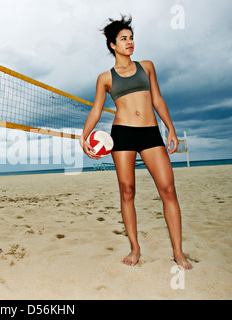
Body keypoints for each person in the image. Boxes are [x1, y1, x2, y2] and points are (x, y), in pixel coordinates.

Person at [80, 15, 192, 270]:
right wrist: (84, 136)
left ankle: (178, 252)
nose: (130, 42)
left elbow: (158, 99)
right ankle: (135, 247)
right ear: (112, 45)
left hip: (151, 134)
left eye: (131, 38)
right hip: (122, 135)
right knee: (127, 191)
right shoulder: (105, 78)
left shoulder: (147, 66)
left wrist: (170, 130)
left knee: (168, 190)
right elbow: (96, 110)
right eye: (124, 39)